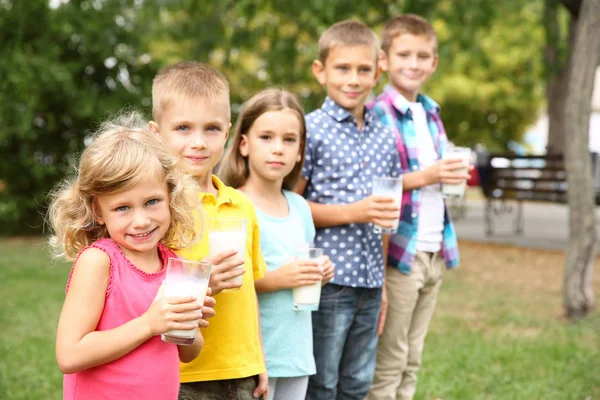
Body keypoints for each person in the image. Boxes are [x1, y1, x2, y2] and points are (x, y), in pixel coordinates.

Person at [48, 112, 216, 400]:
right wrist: (149, 324)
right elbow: (69, 354)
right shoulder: (99, 261)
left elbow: (189, 353)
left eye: (152, 202)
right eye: (122, 208)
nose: (141, 221)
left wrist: (187, 322)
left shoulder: (172, 262)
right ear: (98, 210)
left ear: (170, 196)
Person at [294, 20, 402, 400]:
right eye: (342, 68)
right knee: (322, 382)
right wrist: (355, 211)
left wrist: (384, 285)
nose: (353, 79)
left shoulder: (384, 134)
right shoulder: (310, 130)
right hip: (329, 280)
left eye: (363, 69)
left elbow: (386, 218)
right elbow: (291, 206)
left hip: (371, 282)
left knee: (357, 383)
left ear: (378, 69)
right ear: (320, 71)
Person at [149, 61, 269, 400]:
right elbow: (140, 290)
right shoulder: (158, 209)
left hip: (241, 370)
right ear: (156, 133)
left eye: (212, 129)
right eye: (183, 128)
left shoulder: (242, 206)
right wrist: (204, 281)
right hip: (182, 371)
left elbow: (250, 292)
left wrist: (258, 358)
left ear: (228, 132)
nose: (199, 142)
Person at [366, 14, 470, 400]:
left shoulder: (430, 113)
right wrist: (429, 174)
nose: (413, 63)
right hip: (399, 251)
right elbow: (378, 184)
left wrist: (453, 171)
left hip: (433, 248)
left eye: (422, 55)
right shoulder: (378, 113)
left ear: (434, 62)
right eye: (403, 54)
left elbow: (440, 172)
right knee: (390, 358)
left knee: (413, 356)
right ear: (385, 59)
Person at [219, 88, 335, 400]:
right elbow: (228, 282)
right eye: (266, 137)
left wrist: (320, 271)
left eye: (288, 140)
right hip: (257, 354)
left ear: (300, 151)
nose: (277, 149)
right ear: (244, 144)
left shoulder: (299, 206)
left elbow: (301, 264)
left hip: (297, 353)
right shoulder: (235, 205)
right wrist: (277, 279)